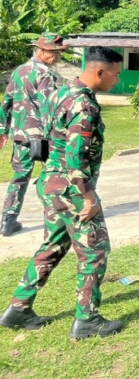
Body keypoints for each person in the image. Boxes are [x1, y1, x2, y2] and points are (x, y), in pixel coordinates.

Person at [0, 47, 124, 339]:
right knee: (95, 251)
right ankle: (87, 321)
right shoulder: (84, 107)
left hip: (50, 183)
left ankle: (18, 308)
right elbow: (76, 158)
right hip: (72, 190)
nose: (117, 81)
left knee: (54, 245)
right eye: (116, 75)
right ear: (100, 72)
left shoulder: (58, 93)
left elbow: (41, 135)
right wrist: (89, 198)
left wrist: (50, 173)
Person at [0, 32, 68, 237]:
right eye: (55, 53)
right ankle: (57, 215)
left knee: (19, 177)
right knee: (54, 174)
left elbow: (6, 102)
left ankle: (7, 221)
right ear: (42, 50)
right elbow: (49, 106)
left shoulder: (19, 71)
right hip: (43, 136)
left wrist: (3, 130)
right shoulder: (45, 74)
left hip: (21, 135)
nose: (58, 57)